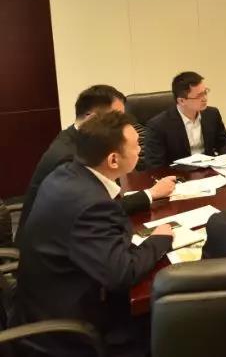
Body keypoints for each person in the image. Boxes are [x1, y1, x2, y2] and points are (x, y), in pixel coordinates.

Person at [12, 111, 173, 357]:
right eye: (135, 145)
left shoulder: (69, 173)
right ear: (113, 160)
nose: (141, 149)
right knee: (161, 321)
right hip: (67, 328)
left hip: (39, 299)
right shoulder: (92, 205)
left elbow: (96, 216)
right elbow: (123, 273)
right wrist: (159, 239)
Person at [19, 85, 176, 233]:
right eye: (115, 117)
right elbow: (97, 209)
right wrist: (150, 194)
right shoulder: (69, 156)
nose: (122, 124)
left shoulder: (78, 138)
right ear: (93, 119)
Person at [143, 71, 226, 169]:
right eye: (199, 96)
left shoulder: (212, 114)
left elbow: (224, 143)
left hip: (210, 170)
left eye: (205, 92)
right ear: (181, 101)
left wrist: (223, 163)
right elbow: (155, 164)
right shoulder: (158, 125)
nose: (205, 98)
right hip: (179, 174)